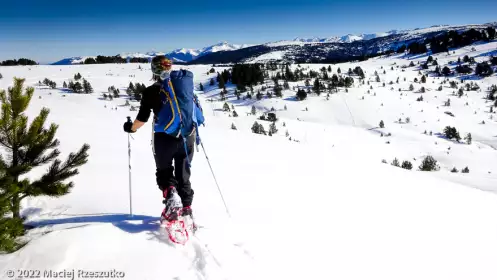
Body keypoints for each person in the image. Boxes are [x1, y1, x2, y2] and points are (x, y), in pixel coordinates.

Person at [123, 56, 204, 228]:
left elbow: (142, 119)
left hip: (163, 138)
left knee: (164, 171)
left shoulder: (151, 91)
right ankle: (187, 209)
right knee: (184, 173)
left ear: (154, 70)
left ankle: (172, 197)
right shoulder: (184, 87)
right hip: (187, 136)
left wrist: (131, 128)